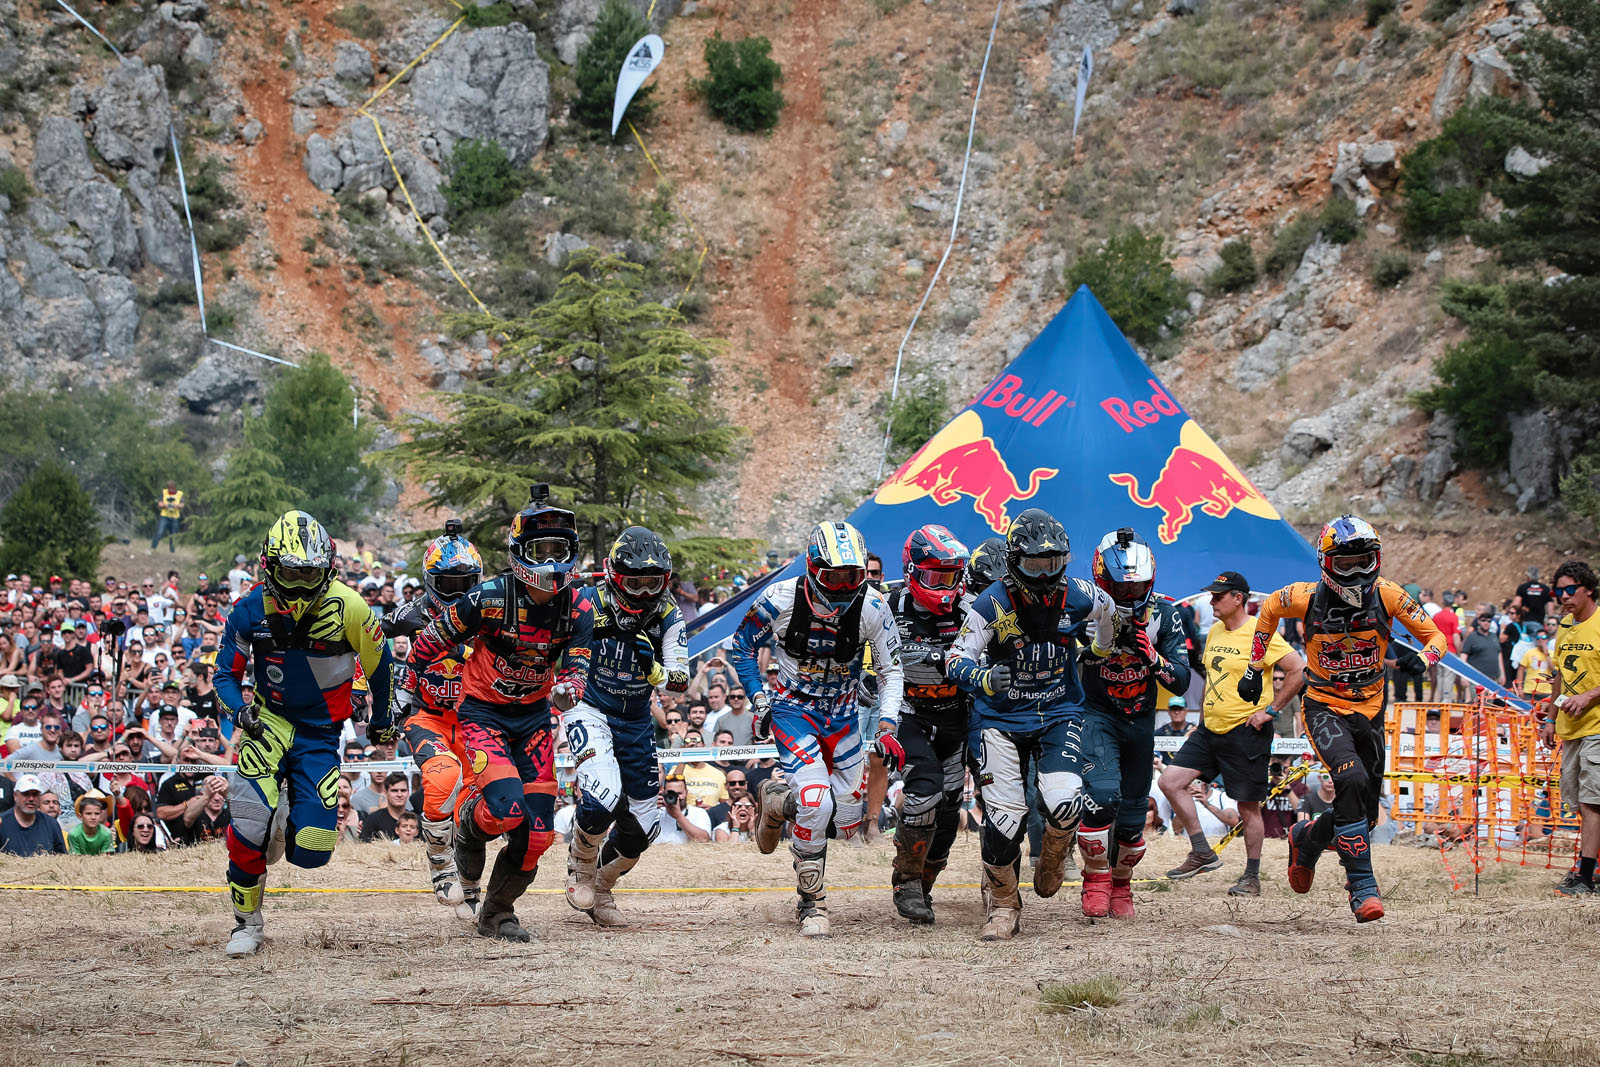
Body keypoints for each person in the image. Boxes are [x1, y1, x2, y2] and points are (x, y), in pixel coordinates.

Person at [410, 484, 594, 942]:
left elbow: (577, 661)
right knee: (506, 808)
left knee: (538, 836)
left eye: (559, 549)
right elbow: (432, 639)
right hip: (483, 714)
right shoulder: (487, 596)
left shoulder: (581, 605)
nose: (551, 561)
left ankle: (496, 913)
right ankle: (467, 830)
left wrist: (570, 687)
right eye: (540, 550)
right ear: (518, 553)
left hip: (533, 720)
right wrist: (405, 683)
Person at [1243, 516, 1443, 922]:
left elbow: (1436, 636)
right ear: (1325, 561)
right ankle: (1362, 886)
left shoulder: (1388, 594)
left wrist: (1422, 660)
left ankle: (1307, 838)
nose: (1355, 571)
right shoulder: (1304, 597)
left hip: (1370, 709)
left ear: (1377, 559)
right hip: (1323, 706)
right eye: (1345, 563)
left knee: (1365, 814)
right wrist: (1253, 666)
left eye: (1363, 561)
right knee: (1349, 779)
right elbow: (1267, 608)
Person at [215, 510, 394, 957]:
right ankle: (246, 924)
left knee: (313, 850)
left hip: (320, 732)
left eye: (308, 573)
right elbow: (223, 677)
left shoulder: (352, 606)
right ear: (268, 566)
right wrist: (240, 713)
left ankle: (285, 814)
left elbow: (382, 663)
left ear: (327, 568)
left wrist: (382, 717)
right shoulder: (248, 608)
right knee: (249, 824)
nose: (297, 583)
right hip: (267, 722)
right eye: (288, 572)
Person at [946, 509, 1117, 941]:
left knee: (1065, 801)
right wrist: (981, 677)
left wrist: (1097, 651)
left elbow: (1110, 614)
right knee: (1004, 822)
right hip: (999, 720)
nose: (1044, 575)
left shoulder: (1081, 594)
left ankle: (1056, 852)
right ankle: (1003, 906)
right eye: (1033, 565)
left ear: (1066, 560)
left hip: (1059, 713)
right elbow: (954, 657)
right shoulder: (991, 603)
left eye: (1053, 563)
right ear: (1013, 560)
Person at [736, 521, 904, 938]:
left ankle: (777, 803)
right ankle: (811, 903)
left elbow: (891, 670)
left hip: (844, 717)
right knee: (816, 801)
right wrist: (759, 698)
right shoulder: (778, 599)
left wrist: (886, 725)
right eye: (835, 577)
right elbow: (741, 646)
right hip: (795, 712)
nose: (845, 587)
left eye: (854, 577)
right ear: (813, 569)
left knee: (845, 822)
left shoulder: (874, 607)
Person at [562, 527, 687, 927]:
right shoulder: (585, 600)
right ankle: (580, 866)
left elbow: (679, 684)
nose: (644, 592)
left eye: (652, 582)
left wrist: (654, 669)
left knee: (646, 828)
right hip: (590, 707)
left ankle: (602, 888)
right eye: (634, 582)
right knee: (602, 796)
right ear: (614, 574)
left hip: (635, 718)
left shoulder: (669, 614)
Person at [1159, 570, 1305, 896]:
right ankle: (1200, 850)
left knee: (1247, 807)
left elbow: (1297, 670)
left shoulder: (1260, 632)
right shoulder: (1213, 631)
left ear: (1238, 598)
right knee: (1169, 781)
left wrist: (1271, 711)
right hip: (1209, 729)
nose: (1212, 601)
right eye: (1211, 596)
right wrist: (1202, 716)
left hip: (1245, 732)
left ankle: (1251, 878)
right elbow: (1215, 679)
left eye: (1218, 596)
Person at [1075, 530, 1193, 919]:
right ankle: (1095, 879)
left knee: (1132, 812)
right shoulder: (1080, 608)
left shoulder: (1166, 613)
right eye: (1121, 589)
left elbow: (1181, 680)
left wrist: (1153, 658)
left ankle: (1122, 884)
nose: (1129, 596)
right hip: (1097, 713)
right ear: (1100, 580)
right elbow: (1060, 664)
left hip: (1141, 718)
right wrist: (1090, 650)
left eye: (1137, 587)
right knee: (1103, 795)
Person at [382, 521, 483, 919]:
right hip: (428, 716)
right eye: (449, 583)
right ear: (430, 581)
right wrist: (365, 686)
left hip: (478, 719)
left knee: (478, 808)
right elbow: (368, 632)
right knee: (442, 778)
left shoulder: (490, 608)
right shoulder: (412, 612)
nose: (459, 593)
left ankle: (472, 884)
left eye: (467, 583)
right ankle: (440, 865)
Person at [885, 524, 971, 925]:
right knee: (924, 793)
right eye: (936, 577)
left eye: (951, 576)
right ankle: (906, 882)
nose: (945, 586)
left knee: (951, 808)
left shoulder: (972, 609)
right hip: (909, 715)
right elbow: (866, 656)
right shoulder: (887, 606)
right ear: (911, 571)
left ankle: (927, 880)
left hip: (957, 718)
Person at [1542, 561, 1600, 896]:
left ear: (1588, 589)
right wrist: (1551, 718)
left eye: (1569, 590)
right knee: (1578, 802)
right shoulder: (1565, 626)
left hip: (1597, 725)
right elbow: (1560, 677)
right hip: (1570, 727)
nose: (1563, 597)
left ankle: (1585, 878)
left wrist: (1591, 696)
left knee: (1593, 803)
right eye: (1558, 591)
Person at [0, 776, 67, 855]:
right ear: (15, 796)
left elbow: (61, 856)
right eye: (26, 794)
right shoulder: (2, 823)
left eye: (35, 794)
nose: (31, 799)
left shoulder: (50, 824)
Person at [359, 773, 412, 842]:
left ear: (408, 793)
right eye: (394, 791)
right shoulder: (373, 820)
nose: (399, 794)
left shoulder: (416, 820)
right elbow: (364, 847)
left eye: (403, 790)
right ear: (385, 793)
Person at [152, 480, 184, 553]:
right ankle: (153, 548)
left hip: (175, 517)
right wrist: (165, 505)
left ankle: (172, 552)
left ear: (174, 487)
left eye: (172, 488)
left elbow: (182, 505)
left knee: (173, 536)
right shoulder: (164, 492)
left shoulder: (180, 494)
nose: (170, 489)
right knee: (159, 533)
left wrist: (176, 506)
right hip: (165, 516)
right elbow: (159, 503)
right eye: (169, 488)